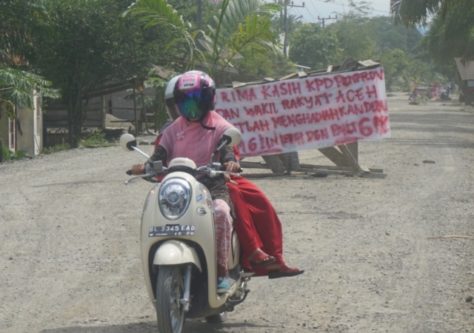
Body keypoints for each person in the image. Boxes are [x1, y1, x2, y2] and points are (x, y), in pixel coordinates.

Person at [151, 72, 304, 279]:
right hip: (181, 186)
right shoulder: (169, 131)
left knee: (257, 201)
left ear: (208, 100)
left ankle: (266, 257)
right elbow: (158, 157)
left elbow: (228, 149)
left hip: (216, 178)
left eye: (195, 101)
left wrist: (229, 163)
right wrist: (149, 167)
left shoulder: (219, 125)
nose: (190, 107)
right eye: (182, 102)